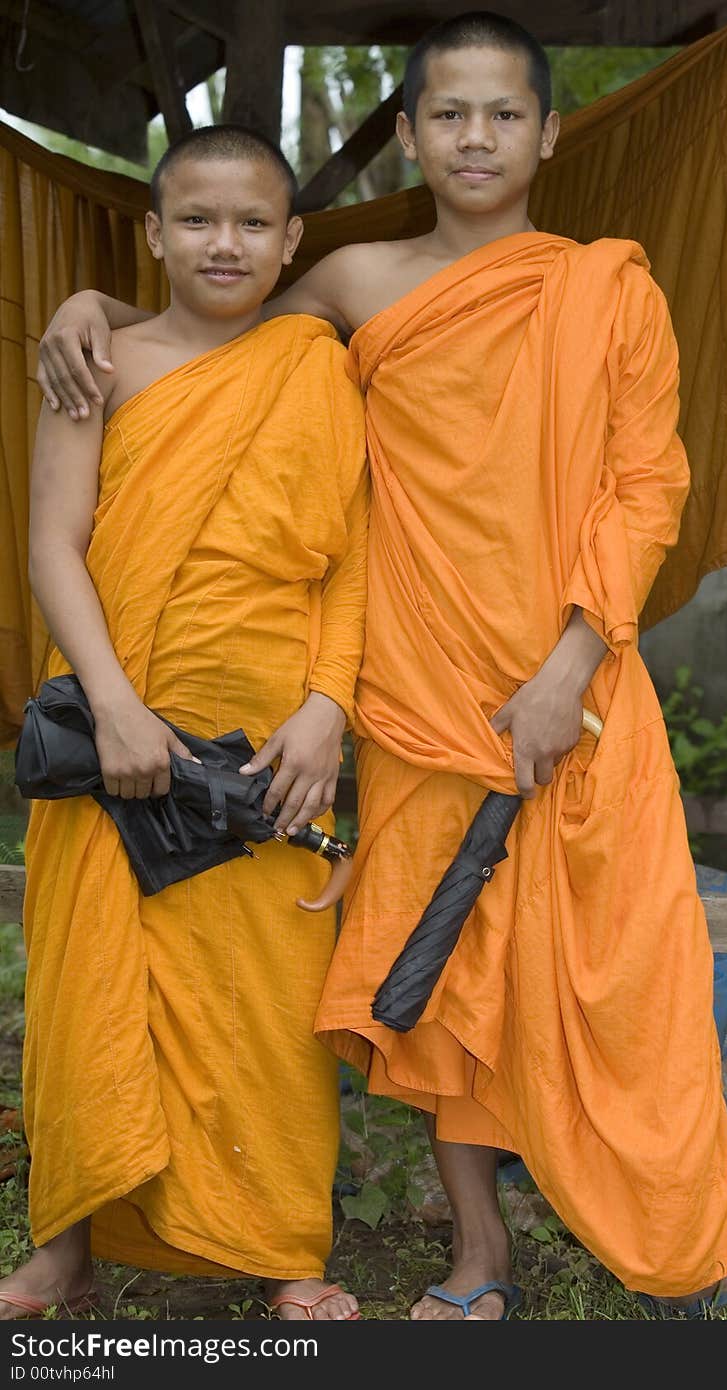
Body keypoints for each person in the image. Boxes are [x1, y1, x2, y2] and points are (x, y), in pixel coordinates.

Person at [35, 13, 727, 1322]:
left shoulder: (605, 285)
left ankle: (711, 1255)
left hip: (582, 683)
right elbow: (216, 349)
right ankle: (477, 1258)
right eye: (447, 114)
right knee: (446, 977)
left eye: (503, 114)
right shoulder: (351, 284)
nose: (474, 136)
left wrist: (575, 660)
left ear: (549, 133)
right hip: (419, 687)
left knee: (637, 970)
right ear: (406, 135)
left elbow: (646, 483)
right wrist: (94, 304)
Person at [2, 125, 368, 1322]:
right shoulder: (99, 361)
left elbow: (352, 557)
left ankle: (284, 1250)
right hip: (115, 719)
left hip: (266, 735)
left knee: (265, 992)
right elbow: (51, 540)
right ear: (153, 234)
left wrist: (328, 706)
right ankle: (66, 1246)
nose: (225, 243)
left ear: (292, 241)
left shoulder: (315, 359)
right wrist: (112, 703)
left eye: (252, 223)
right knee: (87, 987)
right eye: (197, 220)